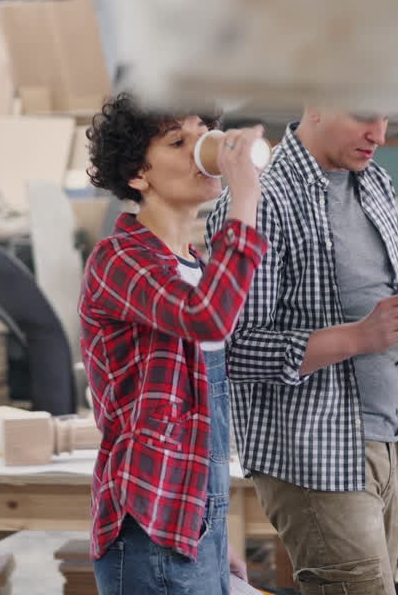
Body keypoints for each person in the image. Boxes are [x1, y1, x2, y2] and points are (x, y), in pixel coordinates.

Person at [207, 107, 398, 595]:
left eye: (386, 118)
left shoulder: (375, 183)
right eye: (365, 116)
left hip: (388, 440)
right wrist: (359, 337)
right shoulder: (263, 199)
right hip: (315, 455)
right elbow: (231, 350)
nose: (379, 135)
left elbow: (382, 308)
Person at [80, 93, 266, 595]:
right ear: (138, 174)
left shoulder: (198, 268)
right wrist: (245, 198)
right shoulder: (119, 259)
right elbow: (205, 318)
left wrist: (212, 533)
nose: (200, 152)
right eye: (178, 142)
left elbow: (203, 411)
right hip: (149, 529)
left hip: (190, 524)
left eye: (203, 136)